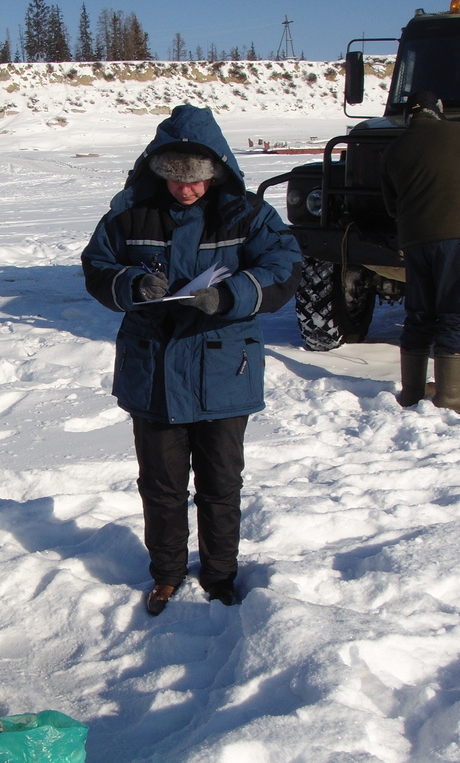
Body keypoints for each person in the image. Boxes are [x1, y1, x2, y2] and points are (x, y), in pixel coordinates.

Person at [82, 104, 302, 616]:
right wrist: (131, 283)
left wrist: (232, 296)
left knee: (220, 484)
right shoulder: (130, 213)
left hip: (225, 371)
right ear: (159, 171)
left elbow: (284, 267)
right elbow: (97, 266)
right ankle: (167, 573)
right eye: (177, 179)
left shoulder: (248, 214)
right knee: (160, 485)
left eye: (198, 180)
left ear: (217, 170)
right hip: (152, 372)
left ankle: (221, 575)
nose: (187, 190)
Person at [381, 90, 460, 414]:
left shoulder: (394, 149)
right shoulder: (458, 133)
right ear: (439, 111)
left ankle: (412, 391)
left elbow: (391, 206)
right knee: (454, 310)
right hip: (453, 235)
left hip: (413, 239)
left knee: (419, 312)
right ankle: (451, 394)